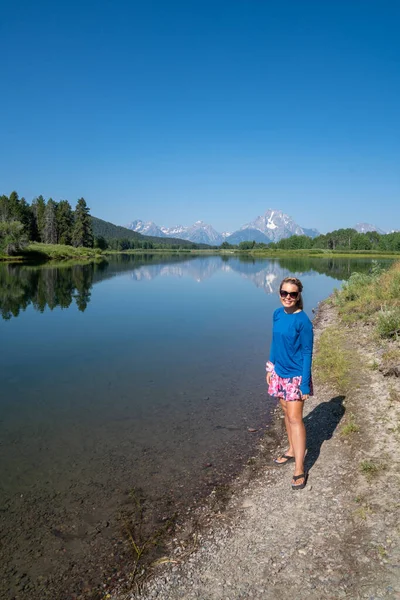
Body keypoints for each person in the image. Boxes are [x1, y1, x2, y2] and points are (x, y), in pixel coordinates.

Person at [266, 277, 313, 490]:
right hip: (279, 373)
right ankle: (292, 450)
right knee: (286, 413)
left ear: (298, 296)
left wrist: (304, 384)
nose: (287, 297)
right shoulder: (277, 314)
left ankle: (299, 468)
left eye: (292, 294)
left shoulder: (303, 321)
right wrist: (270, 367)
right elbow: (275, 342)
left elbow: (306, 353)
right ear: (279, 293)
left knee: (295, 419)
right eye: (284, 293)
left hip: (295, 376)